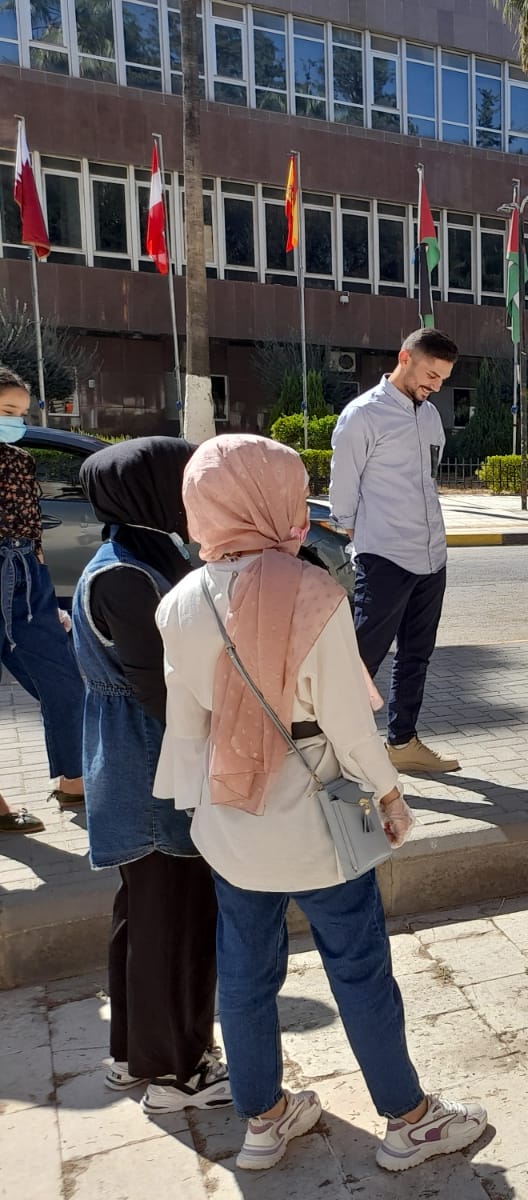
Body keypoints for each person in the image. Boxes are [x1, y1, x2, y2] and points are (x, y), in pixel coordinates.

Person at [154, 435, 488, 1173]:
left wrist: (196, 814)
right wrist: (392, 795)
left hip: (229, 819)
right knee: (359, 967)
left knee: (242, 974)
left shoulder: (178, 600)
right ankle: (409, 1119)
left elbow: (184, 726)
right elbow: (347, 722)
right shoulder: (310, 589)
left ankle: (264, 1120)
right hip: (315, 819)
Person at [74, 437, 230, 1113]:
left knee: (144, 915)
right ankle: (175, 1076)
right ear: (152, 490)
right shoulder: (125, 575)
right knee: (173, 919)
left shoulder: (139, 556)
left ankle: (130, 1054)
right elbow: (162, 692)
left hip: (144, 759)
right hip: (153, 766)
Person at [331, 328, 459, 775]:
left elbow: (427, 481)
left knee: (417, 654)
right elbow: (343, 490)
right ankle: (334, 750)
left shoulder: (429, 416)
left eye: (442, 379)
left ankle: (402, 742)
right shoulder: (363, 415)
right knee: (362, 656)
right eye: (430, 374)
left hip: (431, 556)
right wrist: (360, 538)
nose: (435, 386)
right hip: (383, 555)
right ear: (404, 357)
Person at [0, 365, 84, 836]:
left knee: (65, 679)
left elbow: (32, 535)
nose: (17, 421)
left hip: (26, 579)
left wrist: (46, 597)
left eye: (21, 413)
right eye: (8, 411)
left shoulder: (20, 462)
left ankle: (73, 780)